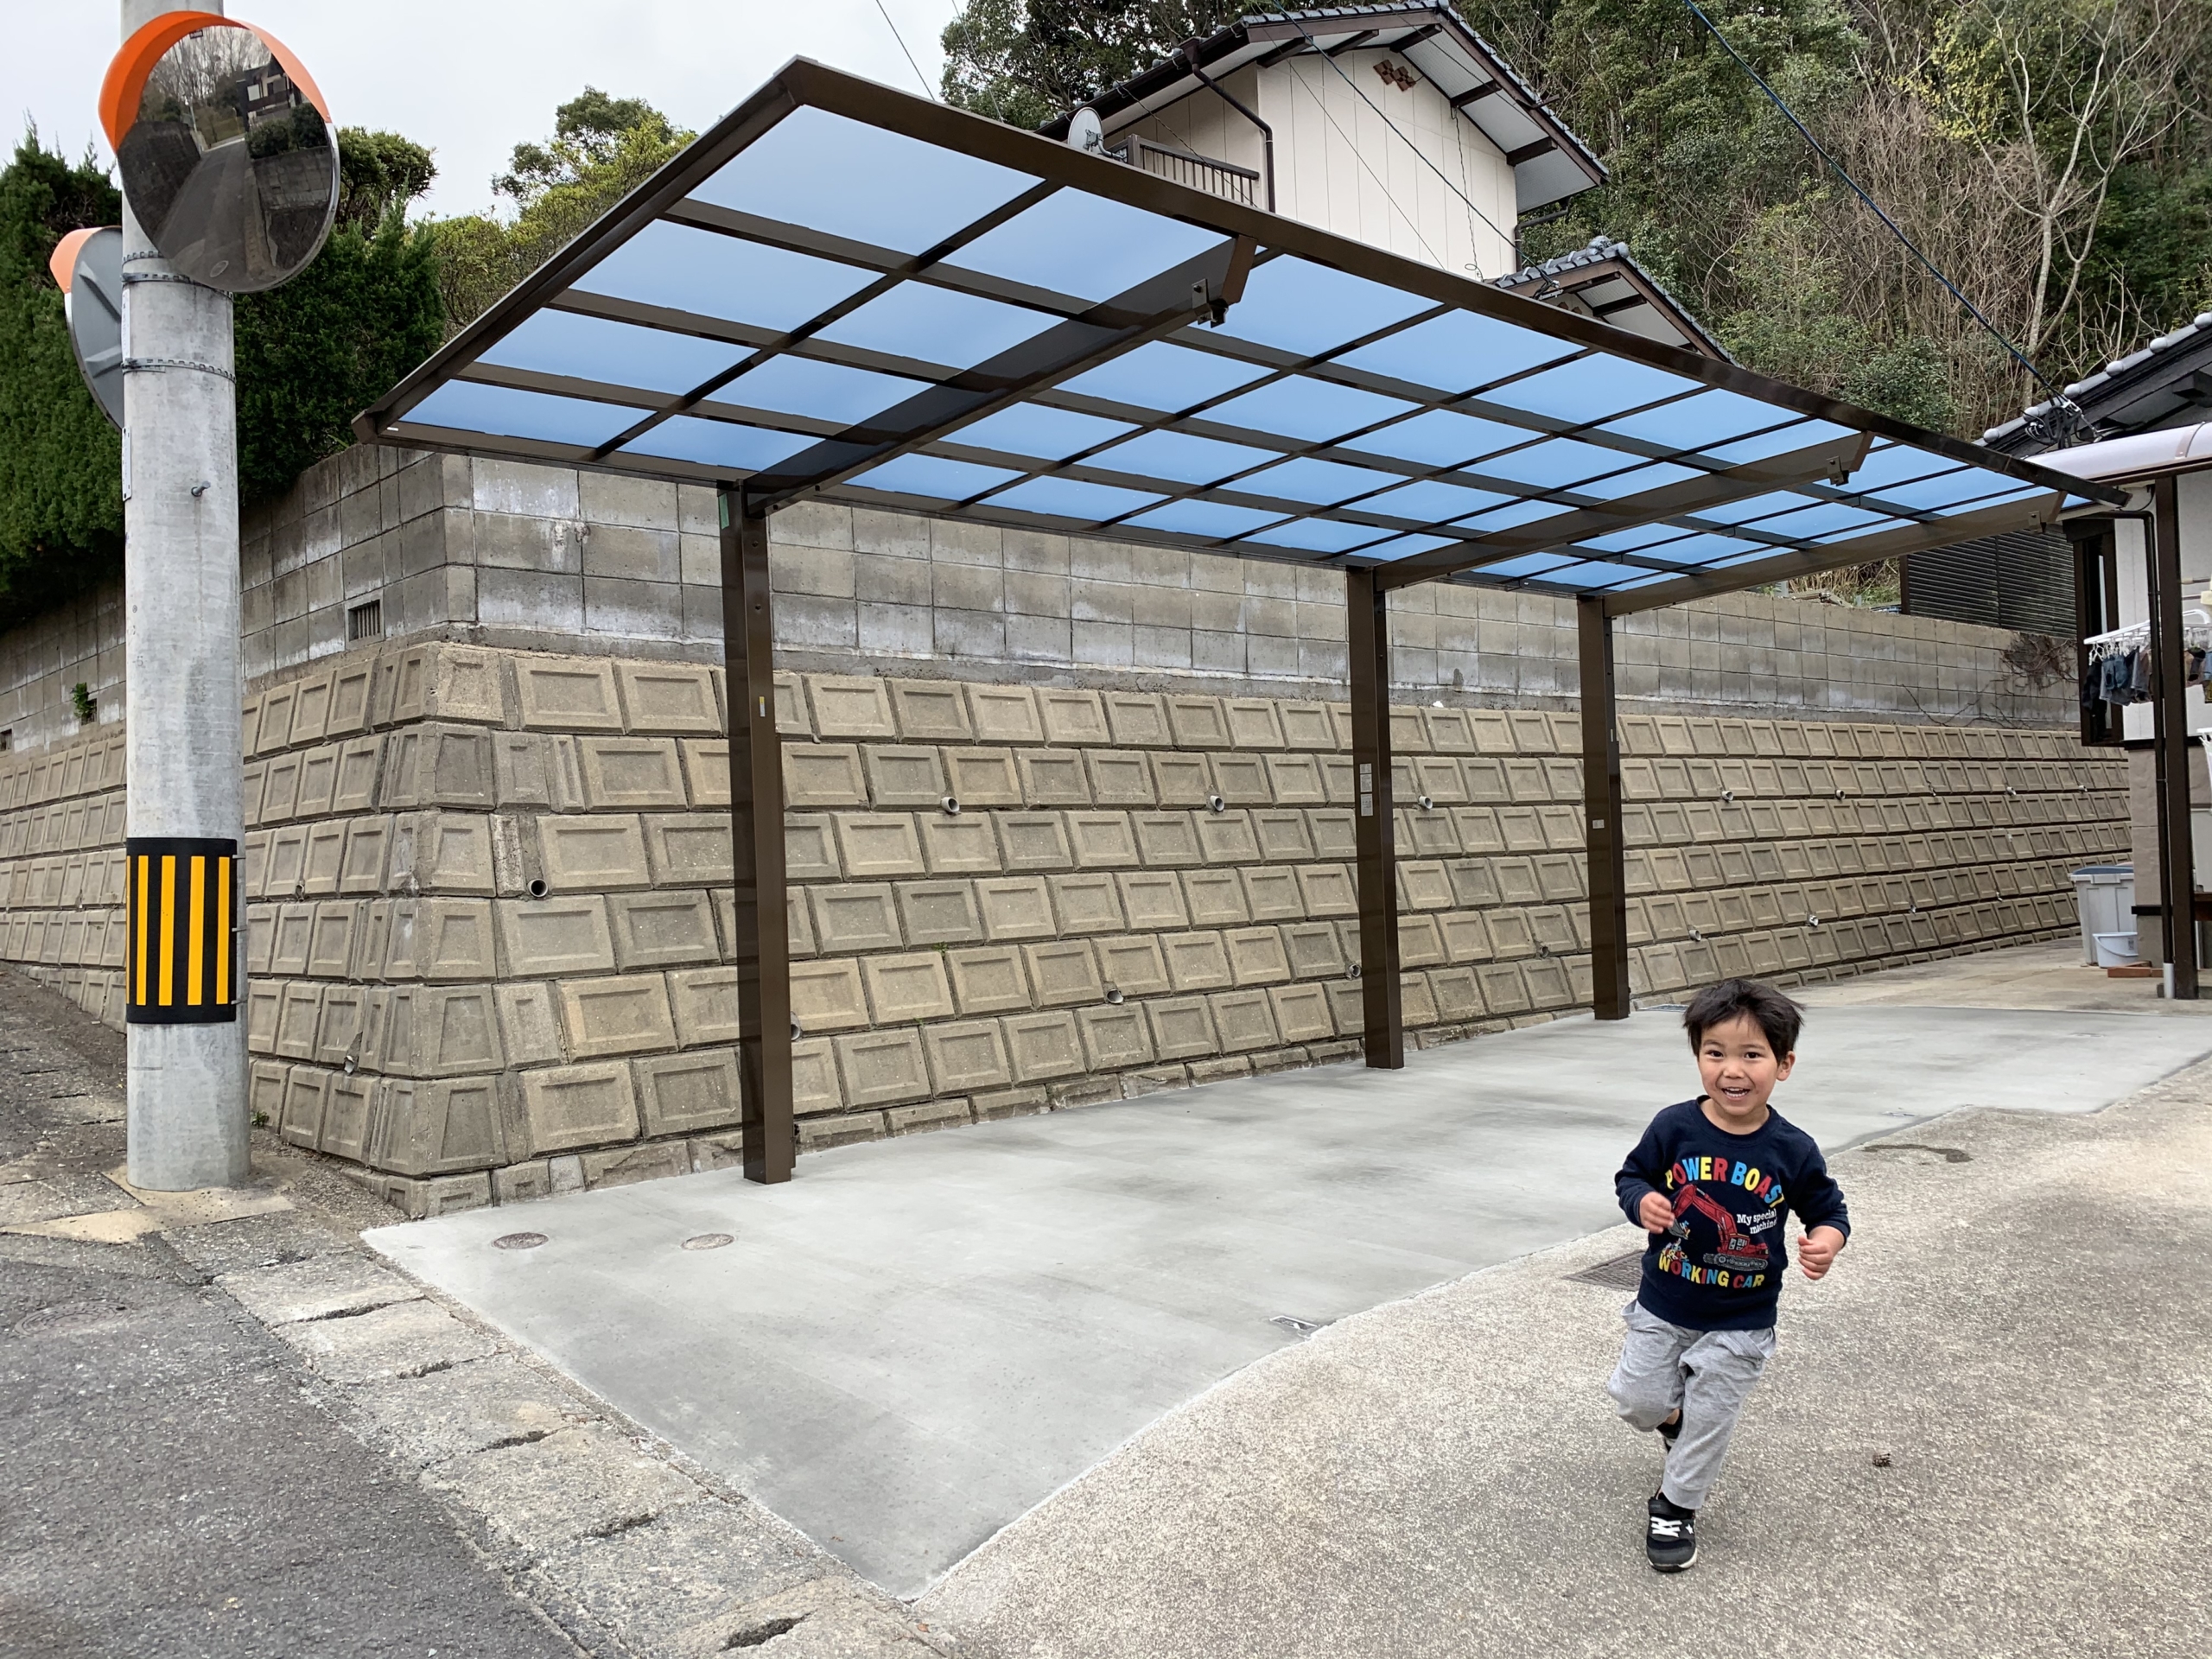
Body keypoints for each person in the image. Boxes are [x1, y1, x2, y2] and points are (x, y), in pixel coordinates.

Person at [1607, 977, 1850, 1572]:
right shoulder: (1673, 1127)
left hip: (1743, 1319)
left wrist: (1825, 1243)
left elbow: (1829, 1211)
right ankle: (1675, 1422)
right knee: (1637, 1402)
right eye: (1715, 1052)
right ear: (1698, 1057)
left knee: (1712, 1421)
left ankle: (1675, 1505)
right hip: (1664, 1303)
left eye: (1752, 1055)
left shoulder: (1792, 1149)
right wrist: (1642, 1202)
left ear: (1783, 1065)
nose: (1732, 1070)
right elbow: (1631, 1177)